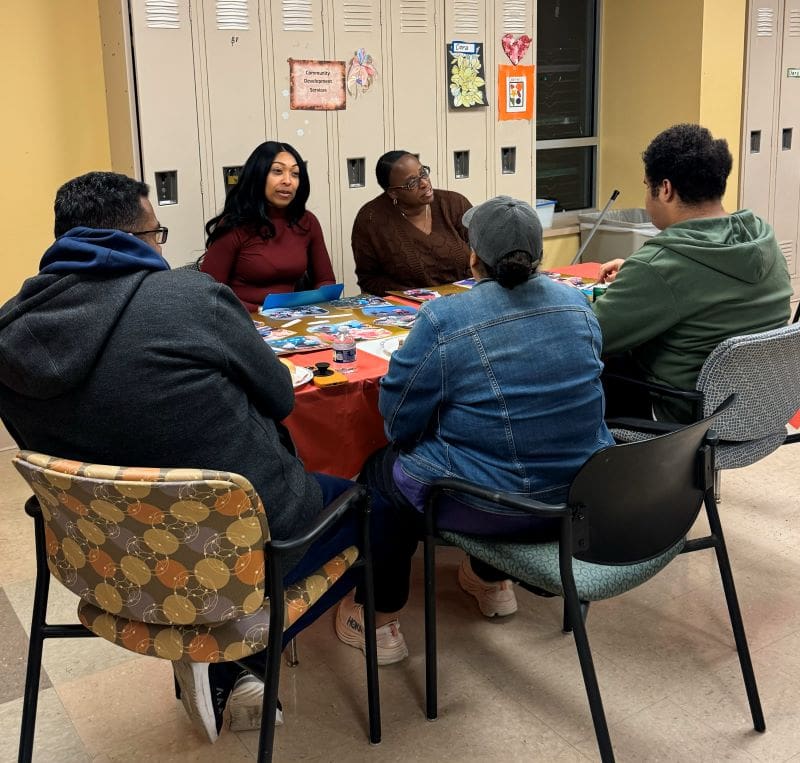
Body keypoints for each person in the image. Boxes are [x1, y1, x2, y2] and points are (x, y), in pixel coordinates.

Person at [0, 172, 409, 744]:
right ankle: (235, 654)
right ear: (138, 237)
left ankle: (219, 647)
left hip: (110, 557)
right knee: (381, 505)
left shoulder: (10, 328)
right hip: (238, 543)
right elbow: (279, 395)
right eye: (159, 231)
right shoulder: (188, 296)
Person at [334, 196, 614, 631]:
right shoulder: (579, 306)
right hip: (579, 496)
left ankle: (379, 614)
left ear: (472, 256)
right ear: (539, 254)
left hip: (496, 507)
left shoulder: (445, 317)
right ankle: (491, 581)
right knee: (494, 444)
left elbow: (399, 421)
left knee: (380, 474)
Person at [593, 123, 792, 421]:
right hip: (761, 408)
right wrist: (636, 274)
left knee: (598, 364)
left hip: (685, 415)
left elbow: (593, 335)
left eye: (647, 186)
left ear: (666, 189)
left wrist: (643, 274)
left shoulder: (662, 264)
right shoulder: (762, 237)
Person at [201, 141, 336, 312]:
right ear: (258, 175)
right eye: (277, 171)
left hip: (291, 321)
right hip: (243, 320)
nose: (288, 181)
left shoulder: (307, 222)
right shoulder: (234, 225)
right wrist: (260, 310)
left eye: (295, 174)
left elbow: (326, 280)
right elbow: (209, 293)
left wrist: (315, 307)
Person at [351, 150, 472, 295]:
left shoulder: (454, 204)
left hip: (465, 300)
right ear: (393, 193)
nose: (424, 183)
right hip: (410, 308)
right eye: (411, 182)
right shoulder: (371, 220)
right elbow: (369, 279)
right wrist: (413, 295)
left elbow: (484, 256)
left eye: (423, 173)